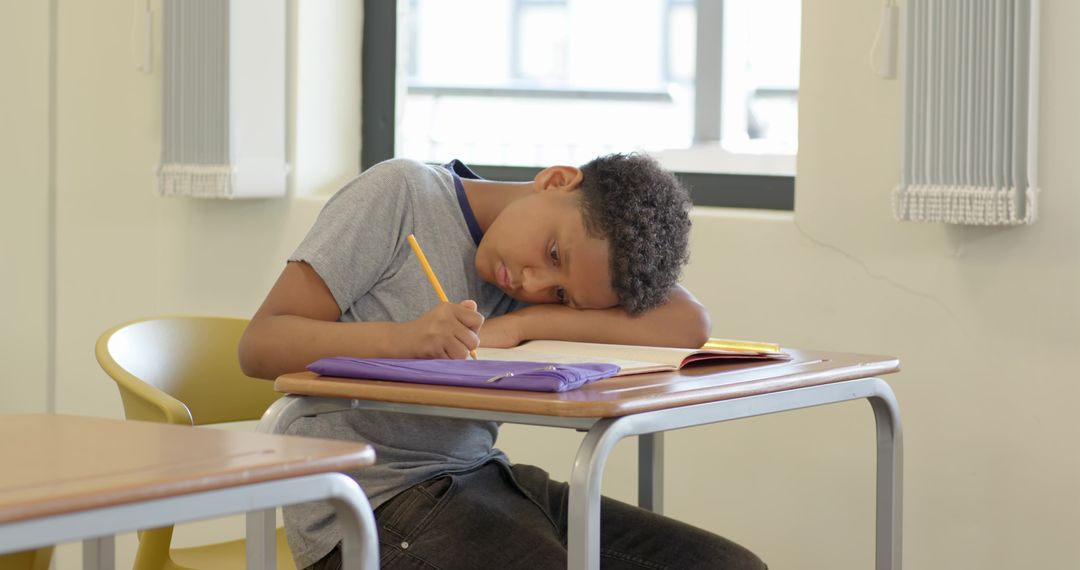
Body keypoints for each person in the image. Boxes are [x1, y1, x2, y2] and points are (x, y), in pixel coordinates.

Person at [239, 154, 766, 570]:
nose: (534, 283)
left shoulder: (531, 286)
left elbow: (687, 321)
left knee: (729, 565)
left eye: (561, 295)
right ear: (556, 179)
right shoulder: (402, 194)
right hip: (370, 506)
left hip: (482, 479)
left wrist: (524, 323)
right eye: (554, 255)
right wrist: (404, 339)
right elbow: (260, 345)